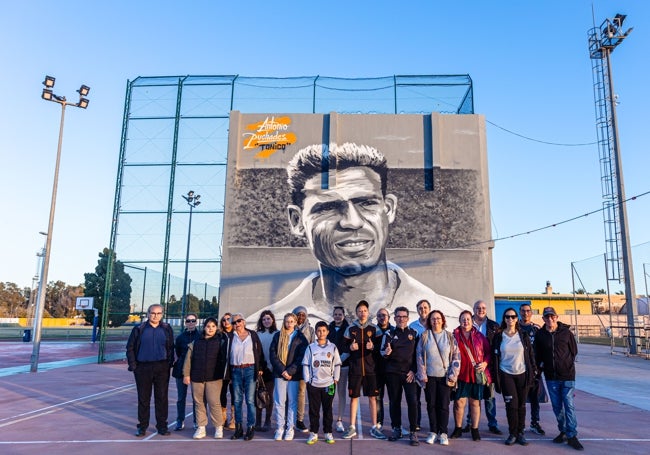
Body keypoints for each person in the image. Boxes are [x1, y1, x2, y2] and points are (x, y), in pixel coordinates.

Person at [248, 143, 470, 325]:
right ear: (297, 221)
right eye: (327, 207)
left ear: (389, 209)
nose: (352, 222)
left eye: (366, 203)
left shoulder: (453, 318)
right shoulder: (265, 323)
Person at [534, 307, 583, 451]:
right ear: (543, 319)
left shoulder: (566, 333)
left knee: (568, 404)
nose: (550, 319)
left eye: (552, 316)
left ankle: (572, 435)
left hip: (567, 376)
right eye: (547, 317)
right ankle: (563, 431)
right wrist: (541, 369)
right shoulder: (540, 335)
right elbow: (538, 355)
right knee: (556, 406)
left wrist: (566, 365)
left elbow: (573, 351)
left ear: (557, 317)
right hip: (551, 377)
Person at [126, 304, 175, 437]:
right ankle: (142, 426)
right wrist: (134, 366)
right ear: (148, 314)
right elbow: (130, 348)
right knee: (143, 399)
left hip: (162, 368)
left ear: (162, 315)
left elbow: (171, 347)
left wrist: (168, 364)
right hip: (143, 368)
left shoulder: (166, 329)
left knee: (162, 398)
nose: (155, 316)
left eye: (159, 313)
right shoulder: (139, 329)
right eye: (153, 313)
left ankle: (162, 426)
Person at [491, 308, 537, 446]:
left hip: (522, 374)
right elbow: (495, 357)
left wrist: (534, 370)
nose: (510, 319)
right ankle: (512, 433)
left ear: (517, 319)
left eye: (513, 317)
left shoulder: (523, 335)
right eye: (507, 317)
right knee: (511, 405)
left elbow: (530, 355)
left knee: (521, 405)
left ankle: (520, 433)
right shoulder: (499, 336)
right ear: (504, 319)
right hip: (506, 374)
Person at [342, 300, 386, 440]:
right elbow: (343, 347)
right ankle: (352, 427)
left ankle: (374, 427)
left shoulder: (374, 329)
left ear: (368, 312)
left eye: (365, 310)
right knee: (354, 397)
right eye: (360, 311)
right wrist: (350, 348)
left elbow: (381, 348)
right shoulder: (350, 329)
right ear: (356, 313)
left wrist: (372, 348)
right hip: (355, 369)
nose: (362, 313)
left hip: (370, 369)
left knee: (372, 398)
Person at [416, 309, 460, 446]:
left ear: (442, 320)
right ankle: (433, 431)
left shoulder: (449, 337)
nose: (436, 321)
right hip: (429, 377)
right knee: (431, 405)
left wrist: (453, 374)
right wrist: (422, 374)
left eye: (438, 318)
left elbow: (456, 357)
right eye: (433, 319)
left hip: (445, 377)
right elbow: (419, 356)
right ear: (429, 321)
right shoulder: (424, 336)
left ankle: (443, 432)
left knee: (444, 405)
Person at [182, 317, 228, 439]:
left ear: (216, 328)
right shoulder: (196, 342)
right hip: (197, 377)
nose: (210, 329)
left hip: (214, 378)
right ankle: (201, 427)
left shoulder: (221, 342)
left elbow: (225, 360)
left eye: (213, 326)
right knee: (199, 403)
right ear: (204, 327)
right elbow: (188, 360)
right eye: (208, 326)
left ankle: (218, 427)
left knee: (214, 402)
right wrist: (186, 374)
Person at [381, 306, 420, 446]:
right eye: (398, 316)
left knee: (412, 403)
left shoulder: (414, 334)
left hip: (409, 374)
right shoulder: (389, 334)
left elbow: (418, 355)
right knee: (394, 402)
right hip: (393, 374)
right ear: (394, 318)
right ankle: (396, 429)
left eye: (404, 316)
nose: (401, 319)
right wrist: (387, 353)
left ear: (408, 318)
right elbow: (383, 354)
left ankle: (413, 432)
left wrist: (414, 370)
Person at [450, 309, 491, 441]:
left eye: (468, 319)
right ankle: (458, 428)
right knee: (459, 403)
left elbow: (488, 353)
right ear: (459, 321)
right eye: (463, 319)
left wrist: (485, 363)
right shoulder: (454, 336)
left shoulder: (479, 336)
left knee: (475, 403)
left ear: (472, 320)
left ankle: (475, 429)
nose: (466, 321)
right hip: (460, 375)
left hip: (475, 374)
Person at [270, 312, 309, 441]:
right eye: (287, 321)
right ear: (284, 322)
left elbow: (301, 356)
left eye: (292, 321)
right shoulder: (277, 336)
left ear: (296, 322)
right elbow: (273, 354)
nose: (289, 324)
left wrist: (291, 371)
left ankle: (289, 428)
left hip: (294, 375)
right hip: (280, 374)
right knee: (280, 402)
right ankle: (280, 427)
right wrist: (282, 370)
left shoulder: (300, 338)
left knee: (292, 402)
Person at [227, 313, 265, 441]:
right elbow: (225, 355)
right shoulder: (230, 337)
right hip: (235, 370)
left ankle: (250, 428)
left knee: (249, 400)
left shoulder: (252, 335)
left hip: (250, 369)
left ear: (243, 322)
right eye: (234, 322)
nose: (236, 324)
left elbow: (259, 352)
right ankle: (238, 428)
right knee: (237, 401)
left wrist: (260, 368)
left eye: (238, 321)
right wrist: (228, 374)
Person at [465, 299, 502, 435]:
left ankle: (492, 423)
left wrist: (487, 363)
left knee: (489, 397)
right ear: (473, 309)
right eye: (478, 308)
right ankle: (469, 423)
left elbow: (496, 348)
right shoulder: (467, 323)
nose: (481, 310)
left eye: (483, 308)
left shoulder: (494, 326)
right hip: (471, 368)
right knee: (472, 397)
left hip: (488, 368)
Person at [302, 321, 342, 444]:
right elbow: (305, 364)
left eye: (324, 331)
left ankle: (328, 433)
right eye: (319, 331)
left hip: (329, 384)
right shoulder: (310, 347)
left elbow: (337, 365)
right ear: (316, 332)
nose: (321, 333)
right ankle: (313, 433)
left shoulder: (333, 347)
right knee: (314, 410)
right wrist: (308, 380)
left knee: (328, 409)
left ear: (328, 332)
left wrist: (336, 379)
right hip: (314, 384)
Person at [519, 303, 545, 435]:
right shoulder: (514, 328)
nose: (525, 313)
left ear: (531, 313)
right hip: (519, 369)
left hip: (534, 370)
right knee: (520, 399)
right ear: (520, 312)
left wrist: (540, 367)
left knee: (535, 398)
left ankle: (535, 423)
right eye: (523, 311)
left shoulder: (536, 329)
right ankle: (520, 424)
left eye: (528, 311)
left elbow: (542, 348)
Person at [171, 312, 201, 431]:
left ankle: (196, 420)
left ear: (196, 322)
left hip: (196, 370)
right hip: (181, 371)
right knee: (181, 397)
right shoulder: (180, 338)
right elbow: (178, 353)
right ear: (185, 323)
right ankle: (180, 420)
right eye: (188, 321)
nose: (191, 323)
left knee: (196, 398)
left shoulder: (200, 336)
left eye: (193, 321)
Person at [409, 299, 430, 431]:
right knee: (415, 399)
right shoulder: (412, 326)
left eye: (425, 307)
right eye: (420, 308)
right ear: (417, 310)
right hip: (416, 367)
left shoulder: (435, 323)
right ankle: (416, 423)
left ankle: (434, 425)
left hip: (431, 367)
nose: (423, 310)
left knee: (432, 400)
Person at [327, 305, 350, 432]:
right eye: (335, 314)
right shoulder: (328, 328)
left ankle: (339, 420)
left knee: (341, 393)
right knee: (330, 393)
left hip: (343, 367)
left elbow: (348, 349)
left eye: (340, 314)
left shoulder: (348, 329)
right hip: (329, 369)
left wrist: (338, 361)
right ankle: (328, 418)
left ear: (343, 315)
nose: (337, 316)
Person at [293, 305, 315, 433]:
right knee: (289, 394)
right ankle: (288, 419)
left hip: (303, 366)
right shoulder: (289, 327)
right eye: (298, 314)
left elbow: (312, 347)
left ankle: (299, 420)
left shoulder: (310, 330)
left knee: (301, 393)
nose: (301, 317)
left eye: (303, 315)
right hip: (291, 366)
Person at [255, 310, 278, 431]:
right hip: (260, 370)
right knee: (258, 395)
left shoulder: (277, 333)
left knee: (268, 395)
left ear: (273, 320)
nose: (266, 321)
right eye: (264, 319)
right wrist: (259, 367)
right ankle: (258, 421)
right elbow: (256, 353)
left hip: (272, 369)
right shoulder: (257, 334)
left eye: (268, 319)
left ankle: (267, 420)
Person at [375, 307, 393, 431]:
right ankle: (379, 421)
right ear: (377, 318)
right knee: (378, 398)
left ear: (389, 317)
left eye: (384, 315)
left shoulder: (394, 331)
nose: (382, 317)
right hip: (377, 370)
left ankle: (395, 423)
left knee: (393, 398)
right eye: (380, 315)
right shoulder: (373, 331)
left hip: (392, 370)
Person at [219, 313, 236, 429]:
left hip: (234, 370)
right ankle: (222, 417)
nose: (226, 321)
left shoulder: (237, 335)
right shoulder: (219, 335)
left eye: (228, 319)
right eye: (224, 320)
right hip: (221, 370)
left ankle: (233, 419)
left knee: (235, 395)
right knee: (222, 394)